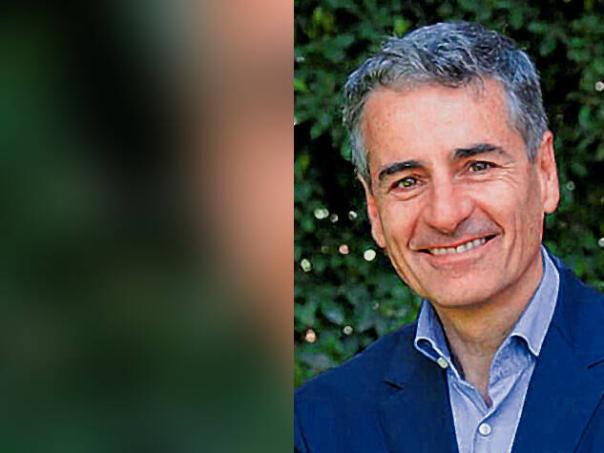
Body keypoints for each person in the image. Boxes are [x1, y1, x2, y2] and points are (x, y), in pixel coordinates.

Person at [294, 21, 604, 453]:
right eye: (407, 181)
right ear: (374, 210)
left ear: (545, 173)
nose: (446, 214)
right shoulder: (319, 424)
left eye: (478, 167)